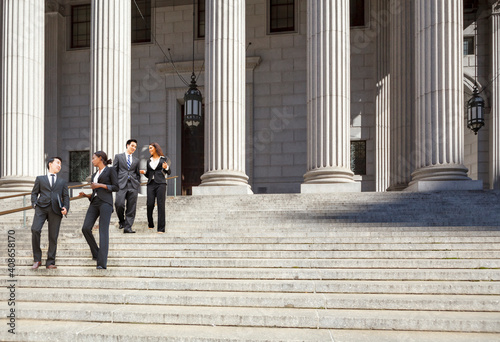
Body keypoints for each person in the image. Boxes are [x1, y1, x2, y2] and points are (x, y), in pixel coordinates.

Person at [79, 151, 118, 269]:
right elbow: (95, 192)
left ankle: (101, 263)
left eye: (93, 158)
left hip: (106, 203)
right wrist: (86, 195)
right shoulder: (95, 174)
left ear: (100, 158)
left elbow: (116, 187)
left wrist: (100, 185)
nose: (92, 160)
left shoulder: (110, 170)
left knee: (103, 231)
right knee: (85, 228)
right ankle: (96, 252)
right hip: (94, 202)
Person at [30, 157, 69, 270]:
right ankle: (37, 259)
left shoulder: (62, 181)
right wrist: (34, 203)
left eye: (60, 164)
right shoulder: (40, 179)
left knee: (53, 236)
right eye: (57, 163)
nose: (59, 166)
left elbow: (66, 196)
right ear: (50, 164)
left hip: (56, 210)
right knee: (35, 229)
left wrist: (66, 207)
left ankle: (50, 262)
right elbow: (34, 193)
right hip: (41, 208)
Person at [140, 143, 171, 233]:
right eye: (149, 148)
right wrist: (144, 172)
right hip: (151, 184)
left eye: (151, 148)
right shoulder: (148, 161)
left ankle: (161, 228)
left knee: (161, 205)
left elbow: (168, 172)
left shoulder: (163, 159)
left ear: (156, 148)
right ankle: (150, 223)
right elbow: (149, 174)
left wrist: (166, 167)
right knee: (150, 204)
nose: (149, 150)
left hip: (161, 183)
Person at [113, 139, 141, 234]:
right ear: (127, 145)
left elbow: (137, 173)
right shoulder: (118, 157)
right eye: (132, 146)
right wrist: (115, 183)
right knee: (119, 204)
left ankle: (128, 227)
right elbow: (114, 171)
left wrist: (137, 182)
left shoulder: (136, 160)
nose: (134, 148)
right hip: (121, 184)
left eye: (135, 147)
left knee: (131, 207)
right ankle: (122, 221)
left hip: (133, 185)